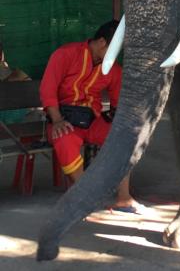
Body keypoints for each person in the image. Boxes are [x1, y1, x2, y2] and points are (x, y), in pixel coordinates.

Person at [40, 20, 145, 214]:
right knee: (64, 138)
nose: (118, 54)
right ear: (104, 43)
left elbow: (117, 103)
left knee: (126, 137)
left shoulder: (113, 70)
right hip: (63, 119)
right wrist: (56, 120)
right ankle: (85, 195)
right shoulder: (65, 54)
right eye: (116, 48)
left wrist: (120, 118)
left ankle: (124, 198)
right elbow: (47, 90)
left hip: (93, 121)